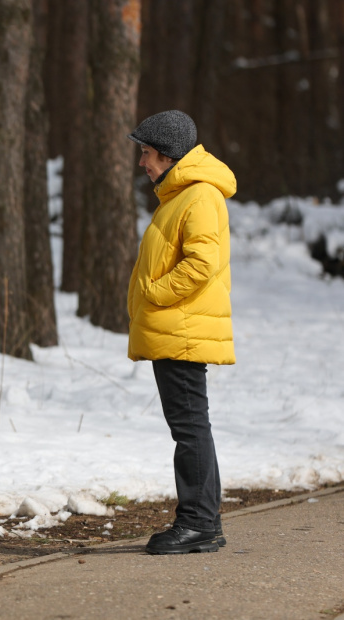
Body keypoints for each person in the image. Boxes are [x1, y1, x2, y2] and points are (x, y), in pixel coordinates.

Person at [126, 110, 237, 555]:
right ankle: (204, 520)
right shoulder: (180, 196)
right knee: (192, 427)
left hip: (183, 330)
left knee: (190, 429)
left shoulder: (199, 197)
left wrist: (154, 292)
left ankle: (197, 524)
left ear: (169, 156)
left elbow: (201, 264)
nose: (142, 162)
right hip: (177, 329)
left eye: (147, 153)